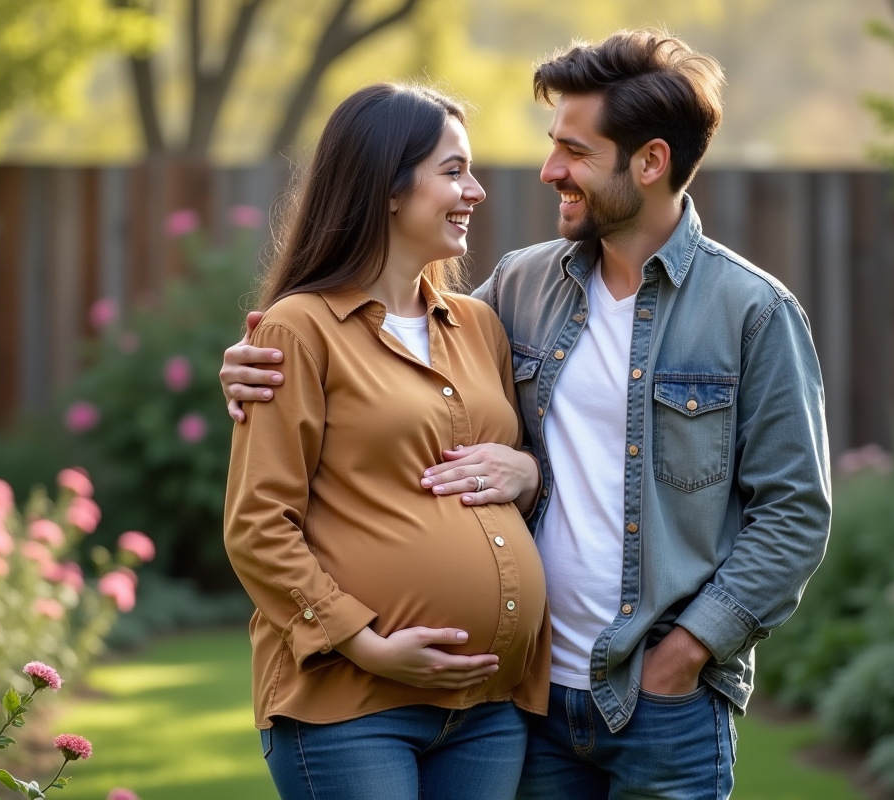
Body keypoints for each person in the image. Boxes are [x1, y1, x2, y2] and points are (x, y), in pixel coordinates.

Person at [222, 30, 831, 800]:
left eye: (574, 152)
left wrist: (686, 654)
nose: (549, 172)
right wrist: (250, 367)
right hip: (536, 702)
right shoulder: (519, 288)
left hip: (656, 701)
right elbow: (378, 357)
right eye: (553, 147)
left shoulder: (752, 312)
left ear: (649, 163)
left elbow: (794, 513)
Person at [222, 83, 551, 800]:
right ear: (389, 187)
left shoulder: (480, 326)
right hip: (351, 705)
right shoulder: (299, 330)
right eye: (454, 170)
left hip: (487, 710)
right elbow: (257, 526)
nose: (478, 190)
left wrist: (526, 470)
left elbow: (519, 462)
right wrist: (365, 642)